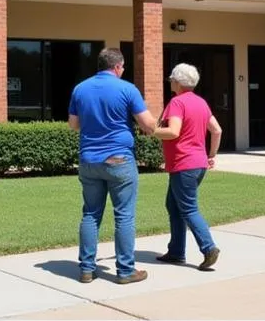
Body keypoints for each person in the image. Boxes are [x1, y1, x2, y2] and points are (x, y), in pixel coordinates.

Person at [68, 47, 157, 284]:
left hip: (89, 160)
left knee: (90, 214)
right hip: (119, 160)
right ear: (118, 66)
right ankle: (125, 271)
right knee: (124, 216)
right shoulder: (127, 88)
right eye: (123, 67)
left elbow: (73, 125)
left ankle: (87, 269)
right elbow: (149, 124)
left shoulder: (80, 88)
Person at [152, 63, 222, 270]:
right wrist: (211, 155)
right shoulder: (201, 103)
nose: (170, 81)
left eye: (171, 78)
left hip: (183, 163)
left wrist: (151, 130)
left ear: (178, 81)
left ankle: (208, 248)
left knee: (188, 208)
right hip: (197, 163)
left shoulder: (177, 102)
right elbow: (216, 130)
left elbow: (173, 132)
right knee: (173, 206)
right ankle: (175, 252)